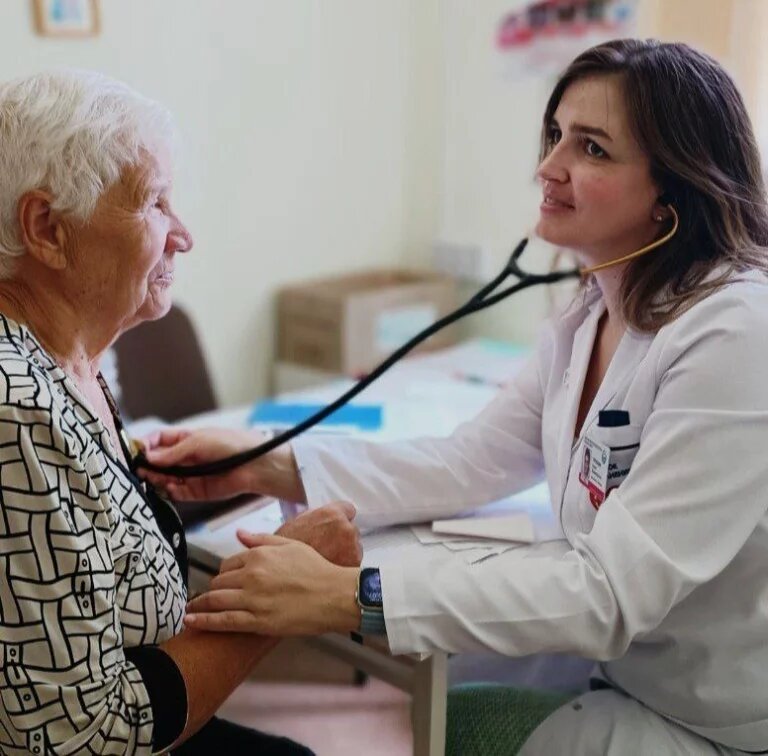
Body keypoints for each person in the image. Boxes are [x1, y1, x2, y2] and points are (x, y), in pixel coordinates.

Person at [143, 39, 768, 754]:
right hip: (633, 670)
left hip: (714, 715)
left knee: (454, 723)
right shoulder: (592, 312)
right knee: (452, 700)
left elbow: (610, 591)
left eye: (592, 148)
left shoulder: (736, 332)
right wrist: (265, 464)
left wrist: (353, 596)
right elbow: (470, 460)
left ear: (674, 191)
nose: (548, 167)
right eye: (556, 134)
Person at [0, 69, 361, 755]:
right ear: (47, 229)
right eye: (154, 203)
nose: (183, 235)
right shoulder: (16, 407)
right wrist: (273, 599)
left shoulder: (69, 363)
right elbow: (86, 735)